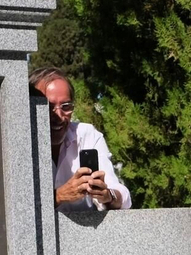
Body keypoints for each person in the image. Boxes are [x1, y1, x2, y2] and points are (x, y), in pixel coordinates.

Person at [29, 67, 130, 212]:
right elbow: (18, 208)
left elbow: (123, 196)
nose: (58, 115)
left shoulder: (87, 135)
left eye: (66, 106)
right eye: (48, 107)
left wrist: (108, 195)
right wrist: (58, 196)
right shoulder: (18, 144)